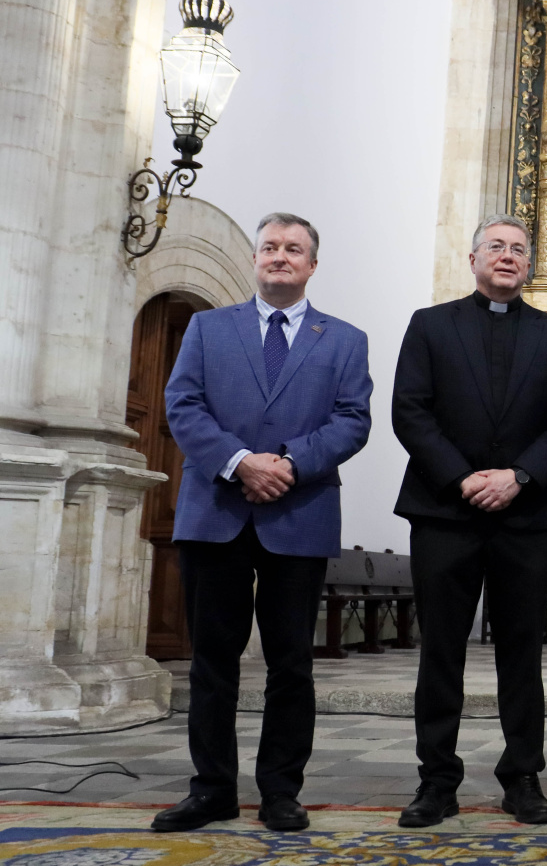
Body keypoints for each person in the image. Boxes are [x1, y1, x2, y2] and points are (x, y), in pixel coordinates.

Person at [156, 212, 373, 833]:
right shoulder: (206, 327)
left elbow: (352, 419)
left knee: (291, 664)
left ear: (311, 264)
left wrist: (288, 464)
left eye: (293, 249)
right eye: (270, 247)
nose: (280, 256)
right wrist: (239, 462)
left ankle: (280, 790)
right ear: (256, 259)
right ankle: (211, 789)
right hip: (216, 512)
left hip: (297, 514)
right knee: (212, 663)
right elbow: (182, 404)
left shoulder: (344, 339)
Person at [391, 215, 547, 828]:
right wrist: (464, 478)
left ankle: (523, 777)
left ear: (530, 264)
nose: (507, 257)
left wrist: (518, 477)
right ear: (472, 257)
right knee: (441, 651)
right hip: (444, 512)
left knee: (522, 652)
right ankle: (436, 781)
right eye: (496, 247)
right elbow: (411, 412)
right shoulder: (430, 326)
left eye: (519, 250)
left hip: (525, 518)